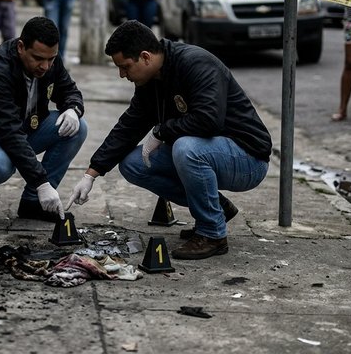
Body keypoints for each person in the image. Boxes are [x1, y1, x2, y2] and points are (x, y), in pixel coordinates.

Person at [66, 21, 271, 260]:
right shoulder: (150, 80)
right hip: (209, 153)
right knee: (133, 164)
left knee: (186, 148)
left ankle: (212, 234)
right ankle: (217, 210)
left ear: (145, 57)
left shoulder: (196, 63)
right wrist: (91, 173)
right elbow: (129, 126)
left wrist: (162, 132)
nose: (122, 75)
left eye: (125, 67)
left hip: (247, 158)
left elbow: (208, 120)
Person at [0, 16, 88, 227]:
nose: (45, 66)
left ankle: (32, 204)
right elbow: (9, 133)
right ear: (21, 47)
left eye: (51, 59)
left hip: (18, 128)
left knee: (77, 128)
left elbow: (69, 90)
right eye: (38, 58)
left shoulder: (49, 60)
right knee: (1, 164)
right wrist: (42, 183)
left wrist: (73, 109)